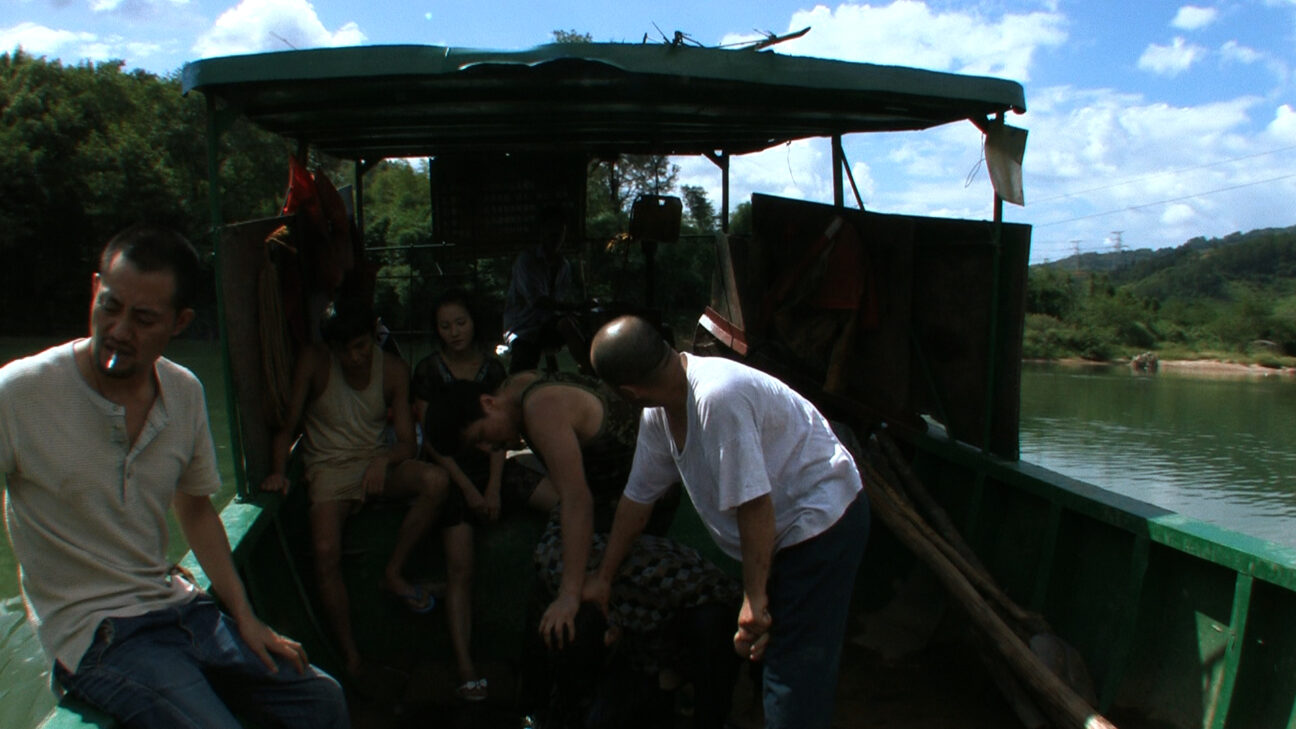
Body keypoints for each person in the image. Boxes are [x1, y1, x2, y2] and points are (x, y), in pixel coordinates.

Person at [0, 224, 347, 729]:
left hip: (174, 606)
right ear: (95, 288)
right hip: (94, 634)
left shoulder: (183, 392)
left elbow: (196, 509)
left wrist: (246, 617)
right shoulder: (19, 392)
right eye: (110, 306)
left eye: (144, 319)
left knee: (320, 700)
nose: (119, 331)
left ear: (180, 322)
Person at [585, 314, 871, 729]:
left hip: (821, 523)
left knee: (793, 671)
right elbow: (637, 500)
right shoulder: (662, 413)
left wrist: (754, 600)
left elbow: (754, 505)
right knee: (768, 653)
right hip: (778, 534)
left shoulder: (717, 397)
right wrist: (604, 578)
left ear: (628, 393)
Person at [429, 371, 741, 728]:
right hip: (614, 510)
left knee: (557, 571)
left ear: (488, 403)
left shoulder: (539, 407)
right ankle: (539, 706)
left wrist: (569, 594)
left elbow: (577, 500)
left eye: (482, 437)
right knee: (551, 572)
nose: (490, 449)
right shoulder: (518, 387)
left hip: (634, 511)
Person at [262, 297, 451, 680]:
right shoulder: (314, 361)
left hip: (375, 465)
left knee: (435, 481)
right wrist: (279, 472)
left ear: (374, 334)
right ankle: (351, 657)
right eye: (344, 349)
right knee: (325, 551)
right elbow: (288, 426)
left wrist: (383, 461)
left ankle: (393, 572)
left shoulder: (393, 370)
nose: (354, 357)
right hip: (328, 469)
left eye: (361, 346)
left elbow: (406, 444)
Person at [410, 290, 558, 700]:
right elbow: (433, 440)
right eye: (445, 325)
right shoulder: (428, 371)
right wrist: (469, 490)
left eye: (461, 322)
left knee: (563, 502)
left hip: (493, 467)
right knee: (460, 570)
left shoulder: (492, 368)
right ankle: (465, 667)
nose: (454, 332)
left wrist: (492, 487)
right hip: (452, 475)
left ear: (474, 322)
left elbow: (502, 432)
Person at [502, 205, 577, 373]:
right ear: (542, 232)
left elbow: (557, 303)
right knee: (522, 367)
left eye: (560, 232)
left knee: (574, 328)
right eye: (551, 231)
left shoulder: (564, 266)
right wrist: (575, 307)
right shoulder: (526, 261)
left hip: (546, 326)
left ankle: (587, 370)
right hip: (522, 327)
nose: (556, 237)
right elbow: (538, 301)